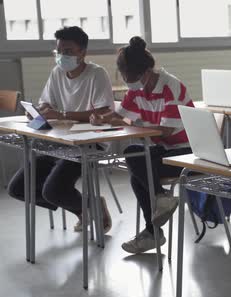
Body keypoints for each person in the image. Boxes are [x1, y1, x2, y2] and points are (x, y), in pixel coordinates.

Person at [90, 36, 193, 254]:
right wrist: (102, 118)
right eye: (126, 78)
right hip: (164, 149)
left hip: (187, 153)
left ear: (147, 71)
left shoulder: (171, 87)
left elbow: (165, 130)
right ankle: (161, 200)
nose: (130, 83)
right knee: (134, 156)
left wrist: (133, 123)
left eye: (132, 78)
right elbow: (119, 114)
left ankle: (152, 232)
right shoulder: (137, 88)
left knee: (139, 171)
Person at [8, 26, 114, 233]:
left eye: (68, 51)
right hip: (59, 141)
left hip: (89, 143)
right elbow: (47, 103)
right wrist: (41, 111)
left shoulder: (97, 74)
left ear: (82, 52)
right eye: (59, 51)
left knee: (53, 190)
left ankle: (89, 206)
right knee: (18, 188)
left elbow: (103, 111)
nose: (62, 56)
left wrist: (62, 114)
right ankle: (84, 208)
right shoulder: (57, 72)